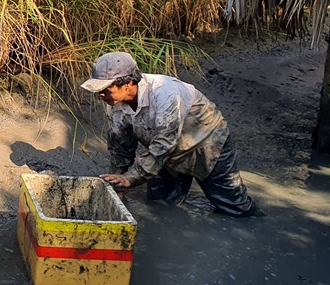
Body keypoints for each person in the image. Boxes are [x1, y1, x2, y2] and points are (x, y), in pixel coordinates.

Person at [80, 51, 262, 217]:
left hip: (206, 144)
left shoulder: (165, 93)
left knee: (233, 205)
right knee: (160, 202)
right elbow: (120, 146)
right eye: (99, 91)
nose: (100, 95)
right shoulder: (114, 103)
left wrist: (130, 179)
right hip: (163, 153)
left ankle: (256, 222)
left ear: (127, 83)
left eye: (105, 90)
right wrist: (117, 183)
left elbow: (164, 143)